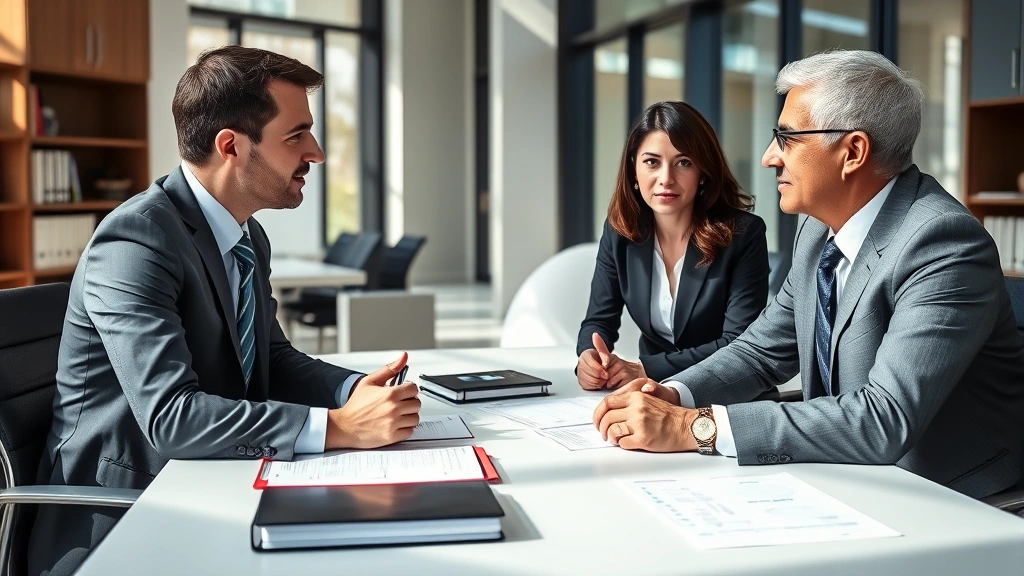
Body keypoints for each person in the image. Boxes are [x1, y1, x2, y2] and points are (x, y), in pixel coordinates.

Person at [28, 46, 421, 576]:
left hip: (213, 482)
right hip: (124, 513)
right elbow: (171, 417)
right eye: (296, 134)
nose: (318, 152)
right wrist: (337, 427)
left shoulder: (245, 236)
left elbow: (273, 360)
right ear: (231, 145)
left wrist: (354, 392)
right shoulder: (135, 240)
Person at [592, 50, 1024, 499]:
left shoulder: (943, 242)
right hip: (847, 470)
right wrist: (677, 396)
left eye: (787, 138)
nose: (768, 157)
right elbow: (760, 351)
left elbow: (884, 418)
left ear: (852, 152)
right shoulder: (819, 229)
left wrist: (697, 427)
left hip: (938, 488)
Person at [576, 101, 769, 389]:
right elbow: (599, 320)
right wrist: (589, 358)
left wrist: (646, 368)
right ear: (634, 171)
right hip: (649, 395)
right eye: (652, 162)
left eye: (683, 163)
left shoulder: (743, 234)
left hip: (724, 393)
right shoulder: (620, 232)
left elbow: (738, 344)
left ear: (702, 172)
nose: (665, 179)